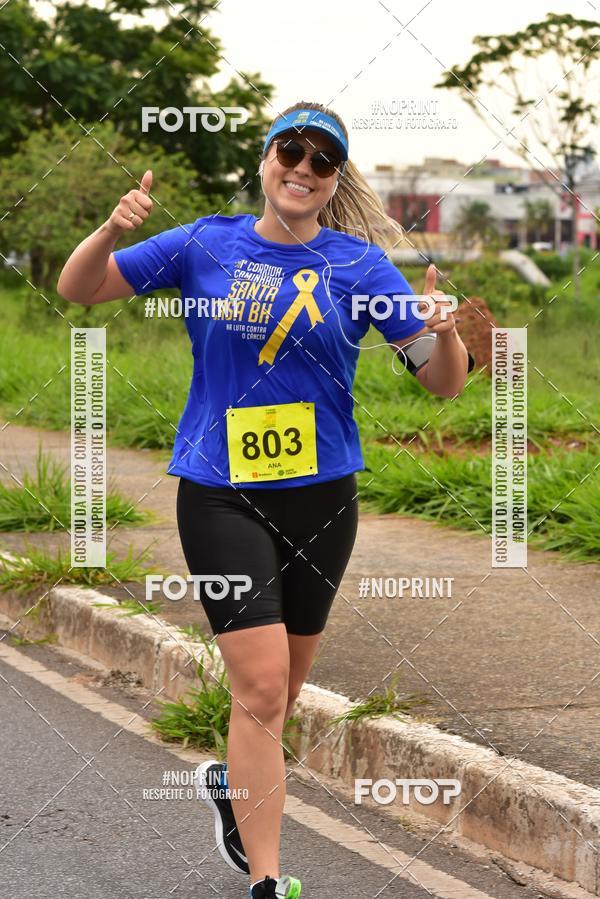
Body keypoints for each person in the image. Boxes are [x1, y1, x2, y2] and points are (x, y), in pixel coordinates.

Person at [58, 101, 472, 899]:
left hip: (323, 500)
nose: (303, 169)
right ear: (267, 158)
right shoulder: (204, 243)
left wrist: (446, 330)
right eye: (292, 151)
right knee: (258, 688)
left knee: (280, 693)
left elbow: (442, 382)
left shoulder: (359, 266)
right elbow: (82, 288)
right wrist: (110, 229)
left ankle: (231, 784)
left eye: (323, 161)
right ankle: (269, 880)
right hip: (220, 494)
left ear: (334, 179)